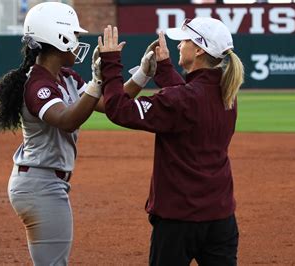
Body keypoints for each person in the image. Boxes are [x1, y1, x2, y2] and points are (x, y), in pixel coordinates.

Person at [0, 3, 155, 265]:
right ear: (57, 37)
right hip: (40, 185)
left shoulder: (66, 77)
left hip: (46, 181)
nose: (77, 41)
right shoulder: (37, 85)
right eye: (73, 35)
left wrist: (143, 73)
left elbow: (110, 105)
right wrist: (98, 82)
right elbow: (66, 120)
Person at [98, 18, 244, 265]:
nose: (179, 45)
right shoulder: (226, 93)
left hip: (179, 219)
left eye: (184, 40)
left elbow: (119, 109)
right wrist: (164, 67)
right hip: (221, 217)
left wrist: (111, 63)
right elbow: (184, 101)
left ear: (199, 49)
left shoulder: (183, 100)